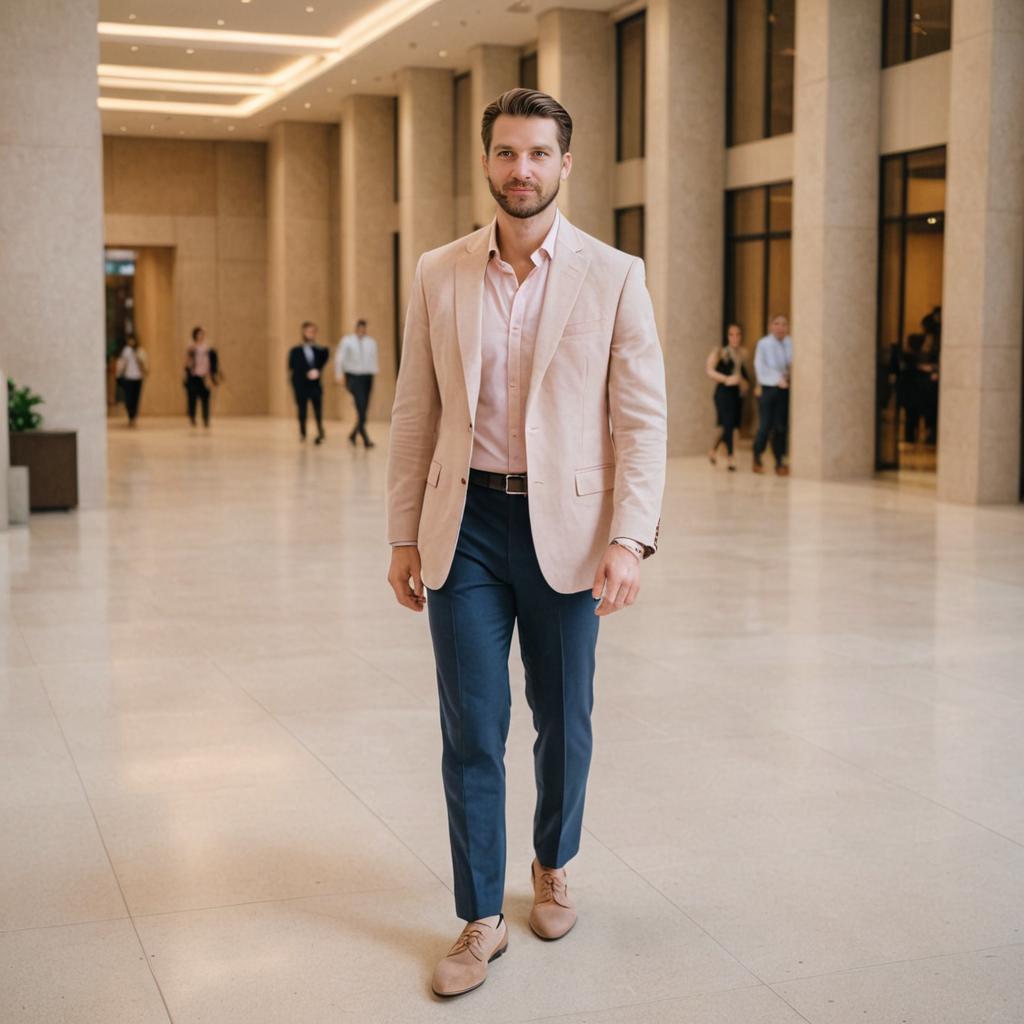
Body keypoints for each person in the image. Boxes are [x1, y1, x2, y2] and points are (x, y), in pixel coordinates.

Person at [386, 88, 667, 998]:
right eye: (507, 153)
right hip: (463, 527)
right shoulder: (439, 271)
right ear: (486, 163)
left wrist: (630, 538)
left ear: (564, 164)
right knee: (472, 728)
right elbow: (413, 412)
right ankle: (478, 918)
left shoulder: (614, 273)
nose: (522, 170)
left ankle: (552, 862)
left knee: (563, 718)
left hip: (570, 534)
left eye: (539, 153)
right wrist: (402, 535)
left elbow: (642, 419)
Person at [752, 314, 792, 475]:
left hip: (785, 389)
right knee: (765, 425)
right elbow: (759, 367)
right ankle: (757, 455)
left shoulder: (790, 343)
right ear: (770, 326)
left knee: (781, 427)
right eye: (777, 323)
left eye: (784, 324)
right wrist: (777, 379)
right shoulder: (764, 344)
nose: (780, 327)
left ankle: (779, 461)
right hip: (769, 389)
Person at [705, 323, 749, 471]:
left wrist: (741, 382)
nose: (735, 338)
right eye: (732, 334)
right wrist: (725, 379)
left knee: (728, 426)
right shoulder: (720, 352)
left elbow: (744, 378)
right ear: (727, 336)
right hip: (723, 394)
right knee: (728, 425)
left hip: (735, 396)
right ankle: (731, 458)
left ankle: (712, 451)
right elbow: (709, 370)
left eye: (738, 334)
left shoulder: (741, 355)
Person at [334, 318, 379, 447]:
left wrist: (374, 372)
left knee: (364, 408)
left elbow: (374, 359)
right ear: (356, 328)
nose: (362, 330)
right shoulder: (347, 341)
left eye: (364, 327)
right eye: (359, 327)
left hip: (367, 377)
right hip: (353, 377)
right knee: (360, 406)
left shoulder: (371, 342)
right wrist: (339, 375)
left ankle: (353, 435)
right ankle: (365, 438)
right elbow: (339, 358)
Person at [288, 321, 328, 444]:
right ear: (303, 332)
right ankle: (302, 432)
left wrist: (318, 372)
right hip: (301, 385)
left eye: (313, 331)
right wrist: (303, 377)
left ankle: (320, 431)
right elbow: (292, 367)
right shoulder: (295, 351)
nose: (311, 334)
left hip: (315, 385)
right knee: (302, 410)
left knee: (318, 409)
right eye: (309, 331)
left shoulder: (319, 350)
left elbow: (325, 355)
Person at [185, 326, 220, 428]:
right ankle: (192, 417)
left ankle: (206, 418)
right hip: (194, 376)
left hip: (204, 376)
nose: (200, 336)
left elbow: (212, 362)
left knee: (206, 398)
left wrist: (212, 375)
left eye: (202, 334)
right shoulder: (191, 348)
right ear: (195, 335)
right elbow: (186, 363)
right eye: (199, 334)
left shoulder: (207, 348)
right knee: (193, 398)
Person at [115, 334, 148, 427]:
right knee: (128, 398)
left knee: (136, 398)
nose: (131, 342)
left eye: (132, 340)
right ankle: (130, 415)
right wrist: (118, 374)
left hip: (138, 378)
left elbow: (144, 363)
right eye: (130, 340)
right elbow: (121, 363)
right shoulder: (126, 351)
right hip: (128, 378)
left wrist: (138, 357)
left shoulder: (140, 350)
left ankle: (134, 417)